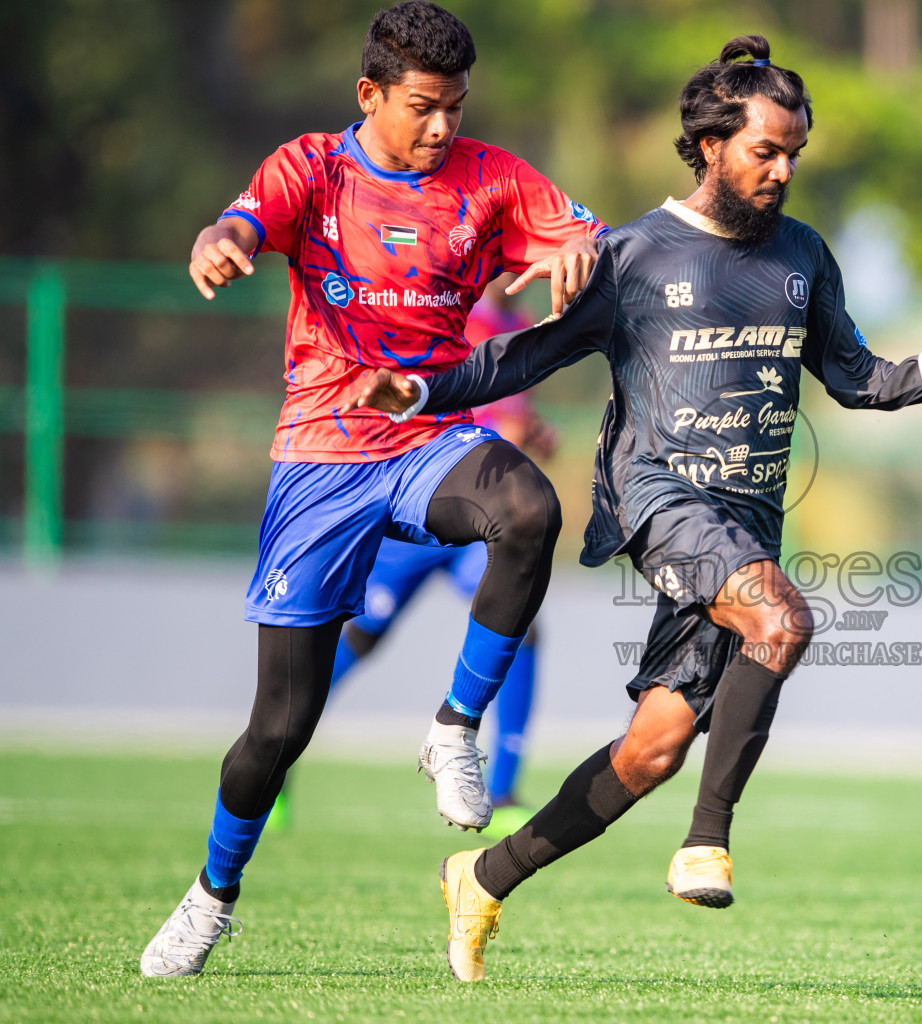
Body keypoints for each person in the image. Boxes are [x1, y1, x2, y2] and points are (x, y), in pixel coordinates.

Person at [347, 34, 922, 982]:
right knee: (782, 616)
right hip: (659, 496)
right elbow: (522, 359)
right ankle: (705, 843)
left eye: (795, 152)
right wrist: (421, 391)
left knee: (655, 746)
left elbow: (855, 378)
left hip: (746, 522)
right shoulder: (630, 255)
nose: (783, 169)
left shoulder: (804, 255)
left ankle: (482, 876)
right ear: (713, 144)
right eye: (767, 150)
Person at [140, 2, 606, 978]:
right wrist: (217, 241)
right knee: (278, 729)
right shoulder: (311, 167)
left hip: (432, 436)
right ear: (372, 95)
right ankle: (210, 896)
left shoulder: (490, 176)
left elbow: (582, 234)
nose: (444, 128)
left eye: (457, 108)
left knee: (528, 508)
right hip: (321, 456)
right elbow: (240, 219)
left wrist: (579, 249)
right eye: (426, 108)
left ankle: (452, 728)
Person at [285, 279, 556, 836]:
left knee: (524, 628)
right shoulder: (451, 317)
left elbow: (504, 417)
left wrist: (532, 433)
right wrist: (501, 429)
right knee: (359, 637)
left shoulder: (520, 325)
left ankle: (503, 790)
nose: (521, 265)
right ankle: (275, 758)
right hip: (424, 506)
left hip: (478, 520)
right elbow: (426, 405)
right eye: (509, 252)